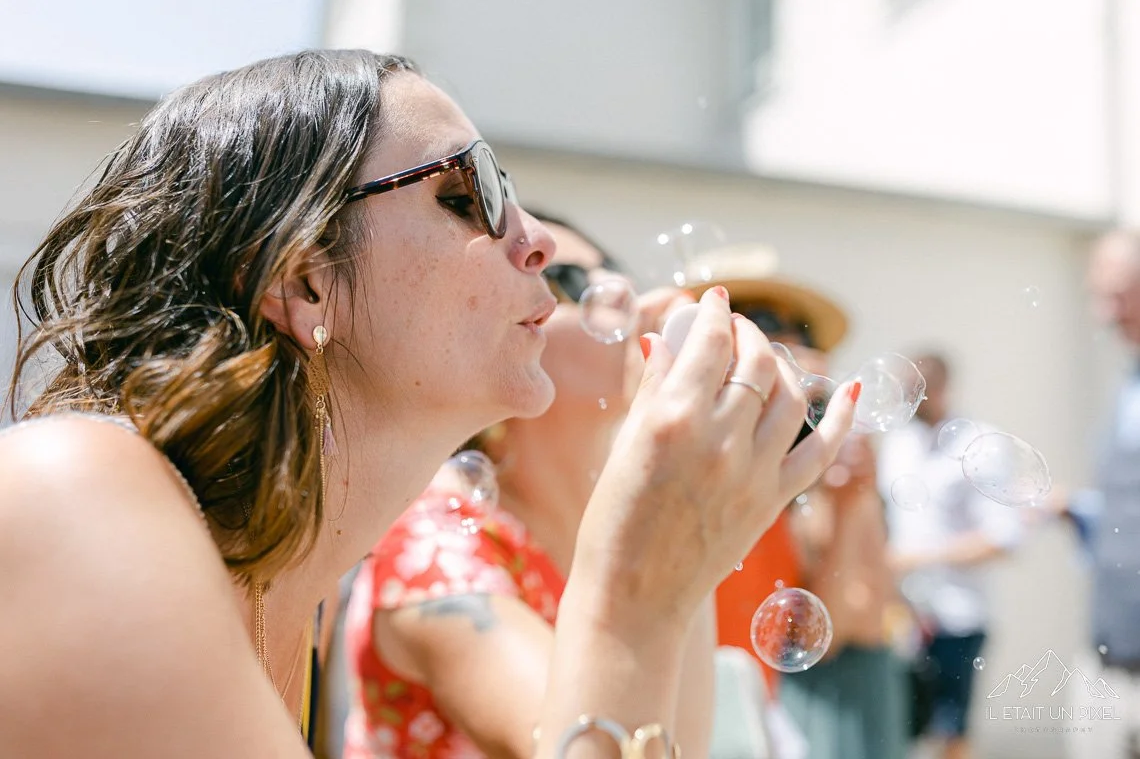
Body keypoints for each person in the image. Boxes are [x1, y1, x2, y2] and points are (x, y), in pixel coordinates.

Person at [0, 49, 861, 758]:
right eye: (468, 194)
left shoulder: (295, 603)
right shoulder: (76, 494)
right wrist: (634, 589)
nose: (540, 242)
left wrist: (684, 560)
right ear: (304, 279)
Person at [342, 213, 715, 758]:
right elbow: (588, 745)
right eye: (568, 283)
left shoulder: (601, 527)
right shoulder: (433, 543)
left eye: (612, 273)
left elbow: (677, 745)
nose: (621, 298)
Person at [688, 245, 905, 759]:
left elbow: (852, 619)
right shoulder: (671, 463)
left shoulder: (800, 486)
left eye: (797, 332)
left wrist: (854, 498)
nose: (788, 349)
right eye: (759, 323)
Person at [877, 352, 1022, 759]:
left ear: (941, 389)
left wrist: (916, 559)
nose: (910, 403)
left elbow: (1002, 537)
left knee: (949, 731)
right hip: (903, 616)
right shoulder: (898, 443)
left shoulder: (980, 444)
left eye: (917, 394)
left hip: (958, 616)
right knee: (901, 727)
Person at [1057, 229, 1140, 759]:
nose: (1100, 308)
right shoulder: (1127, 381)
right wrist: (1079, 509)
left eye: (1113, 288)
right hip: (1110, 649)